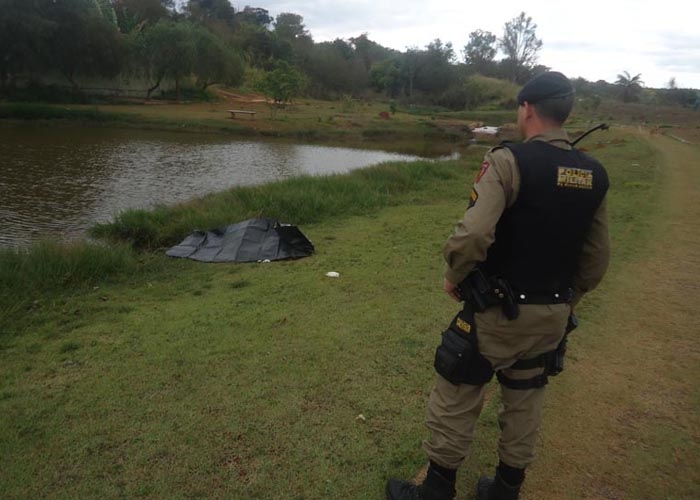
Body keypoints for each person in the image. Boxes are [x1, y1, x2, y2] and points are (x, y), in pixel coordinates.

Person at [386, 71, 610, 500]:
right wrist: (565, 302)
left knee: (458, 387)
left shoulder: (508, 161)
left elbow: (472, 237)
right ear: (566, 113)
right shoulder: (595, 175)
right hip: (553, 315)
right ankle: (506, 489)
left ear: (526, 109)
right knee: (526, 396)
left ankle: (435, 490)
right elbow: (596, 260)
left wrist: (455, 276)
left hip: (497, 313)